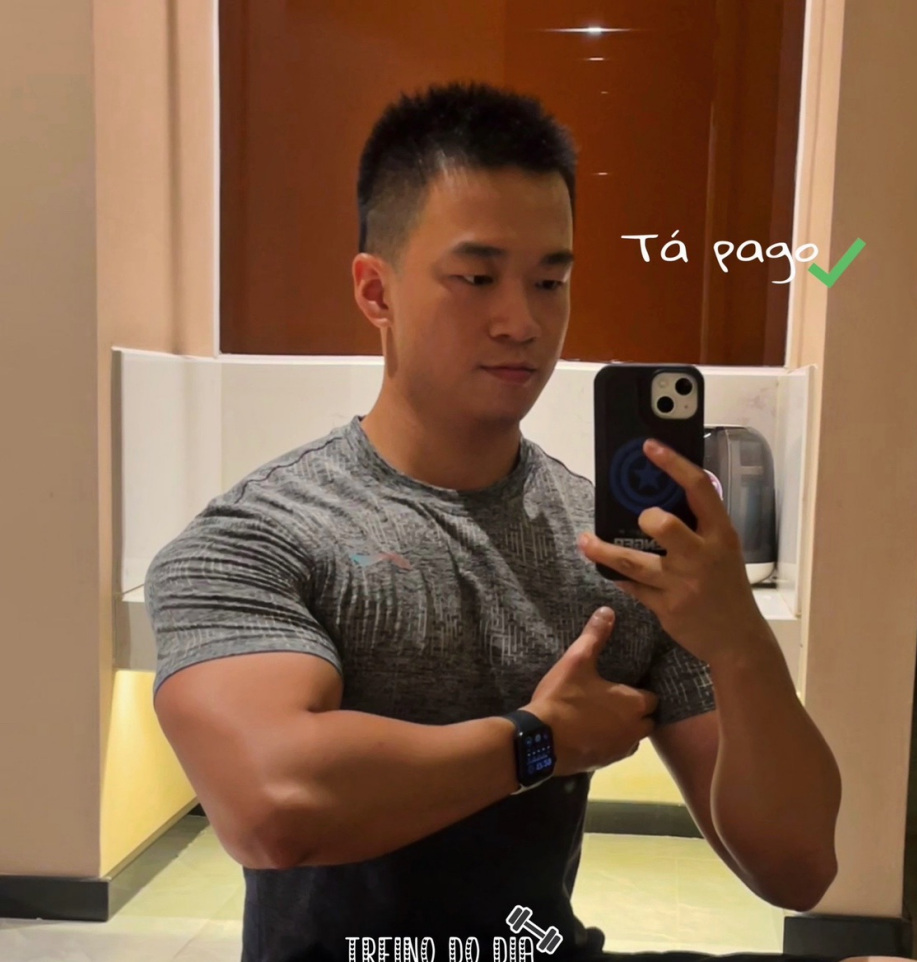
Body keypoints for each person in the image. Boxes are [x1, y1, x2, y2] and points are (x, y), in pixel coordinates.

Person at [146, 80, 849, 962]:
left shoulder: (617, 550)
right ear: (376, 291)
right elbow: (274, 805)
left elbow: (798, 868)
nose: (522, 322)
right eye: (476, 278)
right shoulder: (257, 538)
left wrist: (739, 638)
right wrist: (540, 743)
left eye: (550, 281)